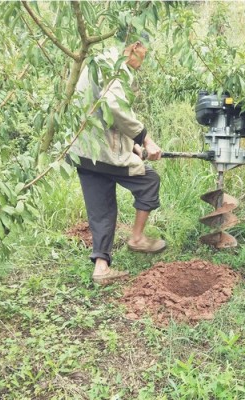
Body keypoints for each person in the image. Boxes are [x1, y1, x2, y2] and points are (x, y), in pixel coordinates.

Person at [69, 34, 166, 285]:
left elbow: (101, 116)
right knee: (149, 179)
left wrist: (130, 146)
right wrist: (144, 139)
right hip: (104, 153)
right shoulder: (116, 66)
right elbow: (114, 107)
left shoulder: (96, 62)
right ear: (134, 46)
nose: (143, 61)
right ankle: (137, 239)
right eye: (144, 53)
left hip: (84, 150)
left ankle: (101, 268)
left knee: (101, 209)